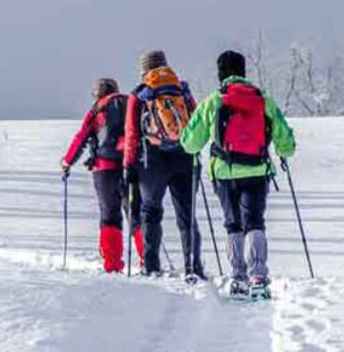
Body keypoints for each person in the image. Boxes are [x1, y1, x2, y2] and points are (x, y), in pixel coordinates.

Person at [182, 50, 296, 299]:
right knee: (255, 221)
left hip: (224, 173)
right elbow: (285, 138)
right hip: (257, 170)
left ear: (220, 73)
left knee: (233, 223)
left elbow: (190, 143)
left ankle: (238, 277)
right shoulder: (262, 99)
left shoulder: (214, 101)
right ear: (243, 71)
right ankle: (258, 276)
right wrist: (283, 152)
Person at [122, 50, 207, 282]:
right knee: (186, 215)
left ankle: (151, 266)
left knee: (150, 212)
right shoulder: (182, 89)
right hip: (184, 158)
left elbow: (131, 132)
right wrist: (196, 154)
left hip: (152, 161)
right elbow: (196, 122)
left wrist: (129, 165)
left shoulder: (139, 95)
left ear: (143, 71)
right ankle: (193, 267)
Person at [61, 78, 142, 273]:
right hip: (131, 165)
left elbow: (82, 137)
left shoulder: (98, 109)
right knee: (136, 213)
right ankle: (148, 258)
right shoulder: (131, 104)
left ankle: (112, 263)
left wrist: (67, 162)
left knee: (109, 215)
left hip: (104, 169)